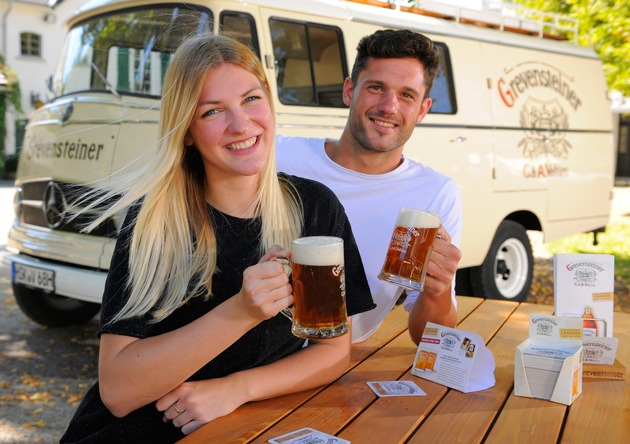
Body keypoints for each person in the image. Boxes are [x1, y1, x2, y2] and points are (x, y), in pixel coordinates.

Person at [60, 34, 374, 443]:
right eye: (212, 111)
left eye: (250, 99)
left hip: (243, 427)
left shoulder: (315, 208)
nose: (241, 124)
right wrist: (242, 311)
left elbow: (332, 350)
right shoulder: (154, 221)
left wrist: (235, 389)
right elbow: (118, 391)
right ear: (186, 130)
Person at [276, 29, 463, 345]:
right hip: (250, 348)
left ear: (423, 109)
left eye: (407, 95)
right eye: (376, 88)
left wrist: (438, 289)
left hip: (332, 362)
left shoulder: (434, 193)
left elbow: (430, 338)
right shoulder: (280, 156)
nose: (389, 106)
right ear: (349, 91)